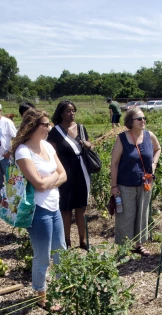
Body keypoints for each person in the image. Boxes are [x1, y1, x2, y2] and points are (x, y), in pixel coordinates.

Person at [11, 108, 67, 308]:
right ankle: (41, 298)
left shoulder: (48, 147)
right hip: (38, 209)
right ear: (33, 126)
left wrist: (48, 180)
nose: (49, 128)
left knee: (62, 251)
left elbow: (64, 174)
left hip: (54, 206)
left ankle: (64, 289)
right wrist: (52, 179)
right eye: (46, 125)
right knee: (42, 255)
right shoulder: (23, 151)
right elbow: (39, 185)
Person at [110, 108, 162, 255]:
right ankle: (124, 246)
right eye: (139, 119)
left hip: (145, 183)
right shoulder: (122, 138)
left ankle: (139, 244)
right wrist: (113, 186)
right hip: (125, 184)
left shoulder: (149, 136)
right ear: (130, 122)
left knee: (142, 214)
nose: (143, 121)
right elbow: (114, 163)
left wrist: (154, 164)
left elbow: (158, 149)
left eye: (144, 118)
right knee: (126, 215)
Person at [47, 100, 92, 250]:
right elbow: (51, 153)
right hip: (65, 173)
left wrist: (88, 145)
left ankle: (83, 240)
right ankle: (66, 241)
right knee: (65, 209)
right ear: (61, 113)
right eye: (68, 111)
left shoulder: (81, 128)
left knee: (82, 207)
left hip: (82, 172)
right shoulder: (55, 132)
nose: (71, 113)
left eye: (73, 110)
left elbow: (89, 144)